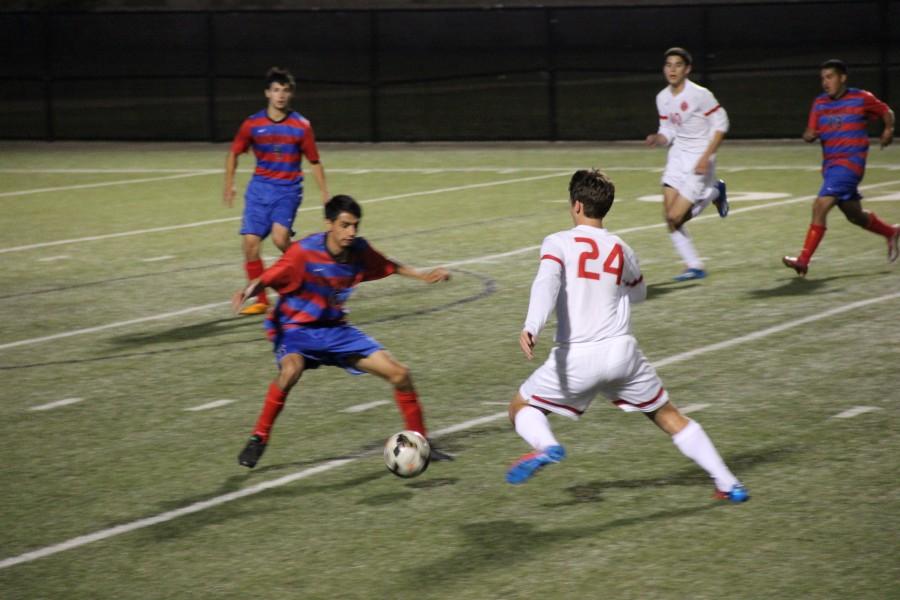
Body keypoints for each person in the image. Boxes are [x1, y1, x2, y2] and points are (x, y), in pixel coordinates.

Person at [504, 169, 748, 503]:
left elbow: (545, 283)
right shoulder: (622, 248)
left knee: (521, 407)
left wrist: (532, 325)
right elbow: (639, 293)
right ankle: (729, 482)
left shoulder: (557, 241)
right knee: (668, 415)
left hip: (576, 357)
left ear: (576, 205)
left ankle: (546, 446)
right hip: (622, 355)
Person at [233, 194, 453, 468]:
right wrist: (249, 290)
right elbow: (268, 277)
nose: (351, 232)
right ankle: (259, 437)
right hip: (296, 329)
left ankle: (422, 443)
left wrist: (422, 274)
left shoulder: (359, 250)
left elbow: (388, 265)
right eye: (345, 225)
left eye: (355, 226)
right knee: (290, 371)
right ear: (329, 224)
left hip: (336, 330)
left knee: (401, 374)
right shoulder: (304, 252)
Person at [224, 66, 330, 315]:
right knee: (250, 244)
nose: (280, 95)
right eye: (275, 90)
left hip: (288, 189)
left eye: (285, 90)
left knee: (280, 239)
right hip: (259, 190)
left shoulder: (301, 125)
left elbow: (314, 161)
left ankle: (310, 275)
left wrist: (325, 193)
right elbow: (234, 153)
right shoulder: (253, 124)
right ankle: (261, 300)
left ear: (290, 94)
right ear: (267, 93)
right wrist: (229, 183)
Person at [783, 59, 898, 276]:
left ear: (842, 78)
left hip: (850, 164)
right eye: (823, 78)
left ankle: (803, 260)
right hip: (831, 167)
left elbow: (886, 112)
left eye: (830, 77)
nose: (825, 83)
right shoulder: (819, 103)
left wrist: (888, 129)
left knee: (820, 205)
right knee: (854, 215)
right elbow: (809, 132)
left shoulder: (860, 98)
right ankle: (891, 232)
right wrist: (809, 135)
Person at [645, 47, 730, 282]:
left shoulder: (700, 95)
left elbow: (721, 124)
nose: (672, 69)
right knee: (669, 216)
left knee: (676, 217)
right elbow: (668, 131)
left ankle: (714, 191)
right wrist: (657, 138)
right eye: (668, 65)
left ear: (687, 69)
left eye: (678, 65)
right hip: (677, 156)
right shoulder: (662, 97)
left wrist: (706, 156)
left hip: (700, 158)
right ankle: (694, 266)